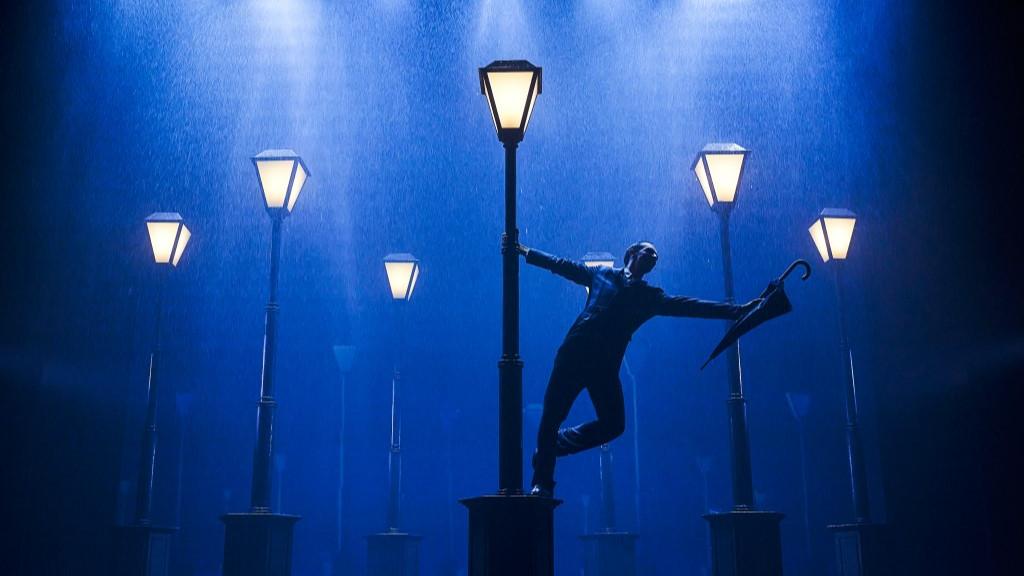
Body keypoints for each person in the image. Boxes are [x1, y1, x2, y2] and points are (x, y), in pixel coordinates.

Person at [517, 240, 761, 497]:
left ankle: (554, 444)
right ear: (631, 253)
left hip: (604, 366)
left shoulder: (649, 296)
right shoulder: (602, 273)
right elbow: (562, 265)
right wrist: (527, 252)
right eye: (648, 251)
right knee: (552, 414)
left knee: (614, 424)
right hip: (574, 353)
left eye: (656, 256)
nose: (654, 256)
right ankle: (542, 482)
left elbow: (689, 305)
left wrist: (736, 311)